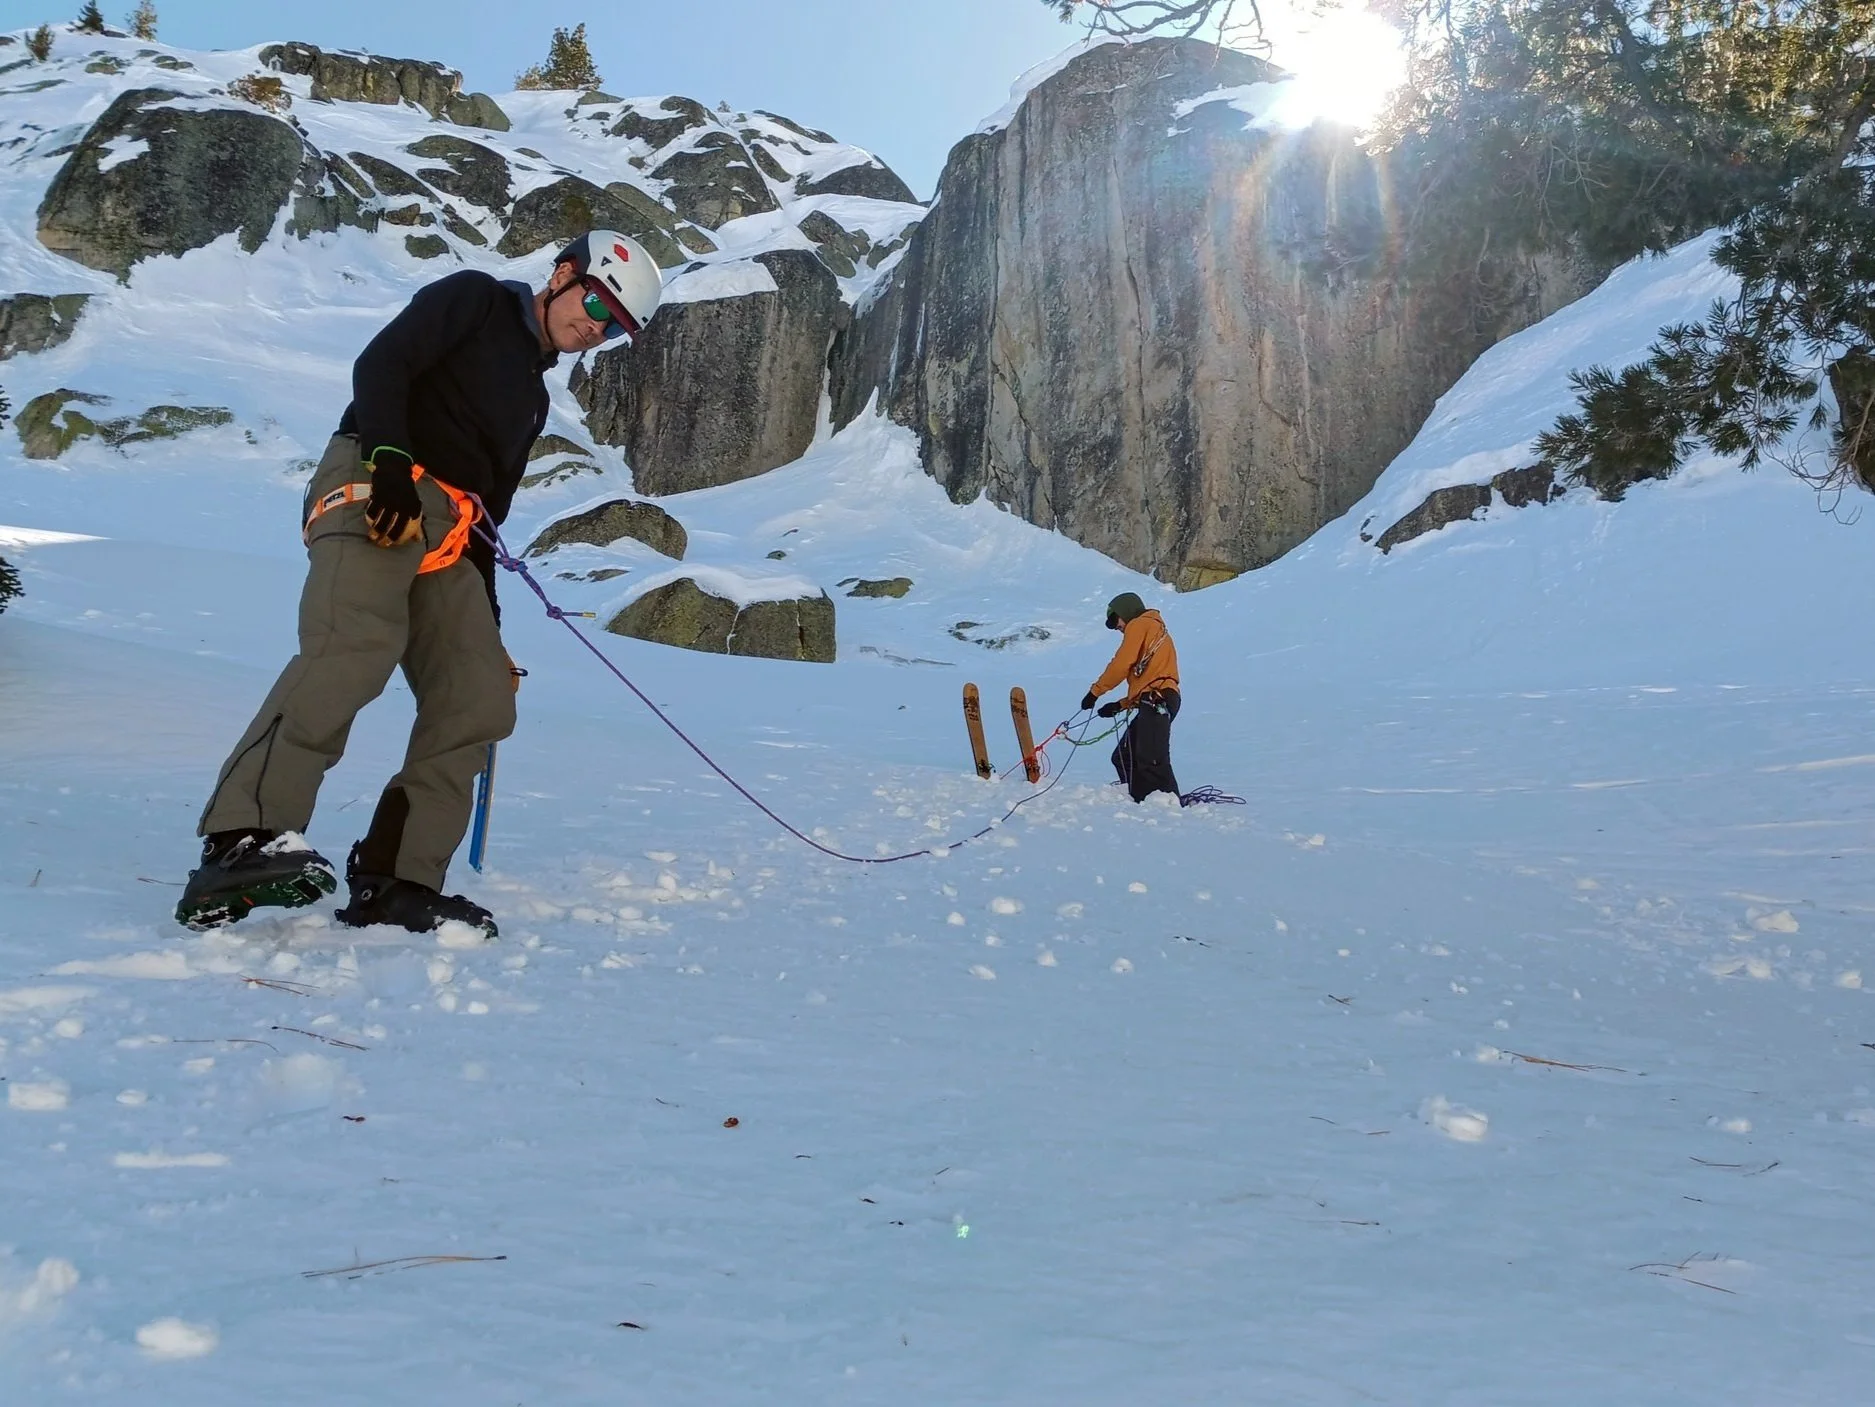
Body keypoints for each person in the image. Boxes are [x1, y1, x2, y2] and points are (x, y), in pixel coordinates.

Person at [176, 231, 663, 938]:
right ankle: (241, 839)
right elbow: (384, 363)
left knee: (478, 693)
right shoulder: (475, 300)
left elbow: (490, 512)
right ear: (563, 274)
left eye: (612, 326)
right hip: (375, 481)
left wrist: (487, 619)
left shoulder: (531, 399)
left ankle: (396, 879)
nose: (594, 325)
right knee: (356, 646)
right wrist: (392, 463)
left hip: (453, 537)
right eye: (594, 300)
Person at [1080, 592, 1181, 803]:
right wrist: (1120, 705)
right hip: (1154, 699)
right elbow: (1149, 677)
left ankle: (1167, 807)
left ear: (1126, 611)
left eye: (1116, 620)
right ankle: (1138, 800)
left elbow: (1121, 664)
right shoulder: (1153, 629)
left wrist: (1095, 692)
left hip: (1157, 699)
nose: (1117, 627)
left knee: (1150, 759)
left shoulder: (1140, 624)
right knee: (1124, 756)